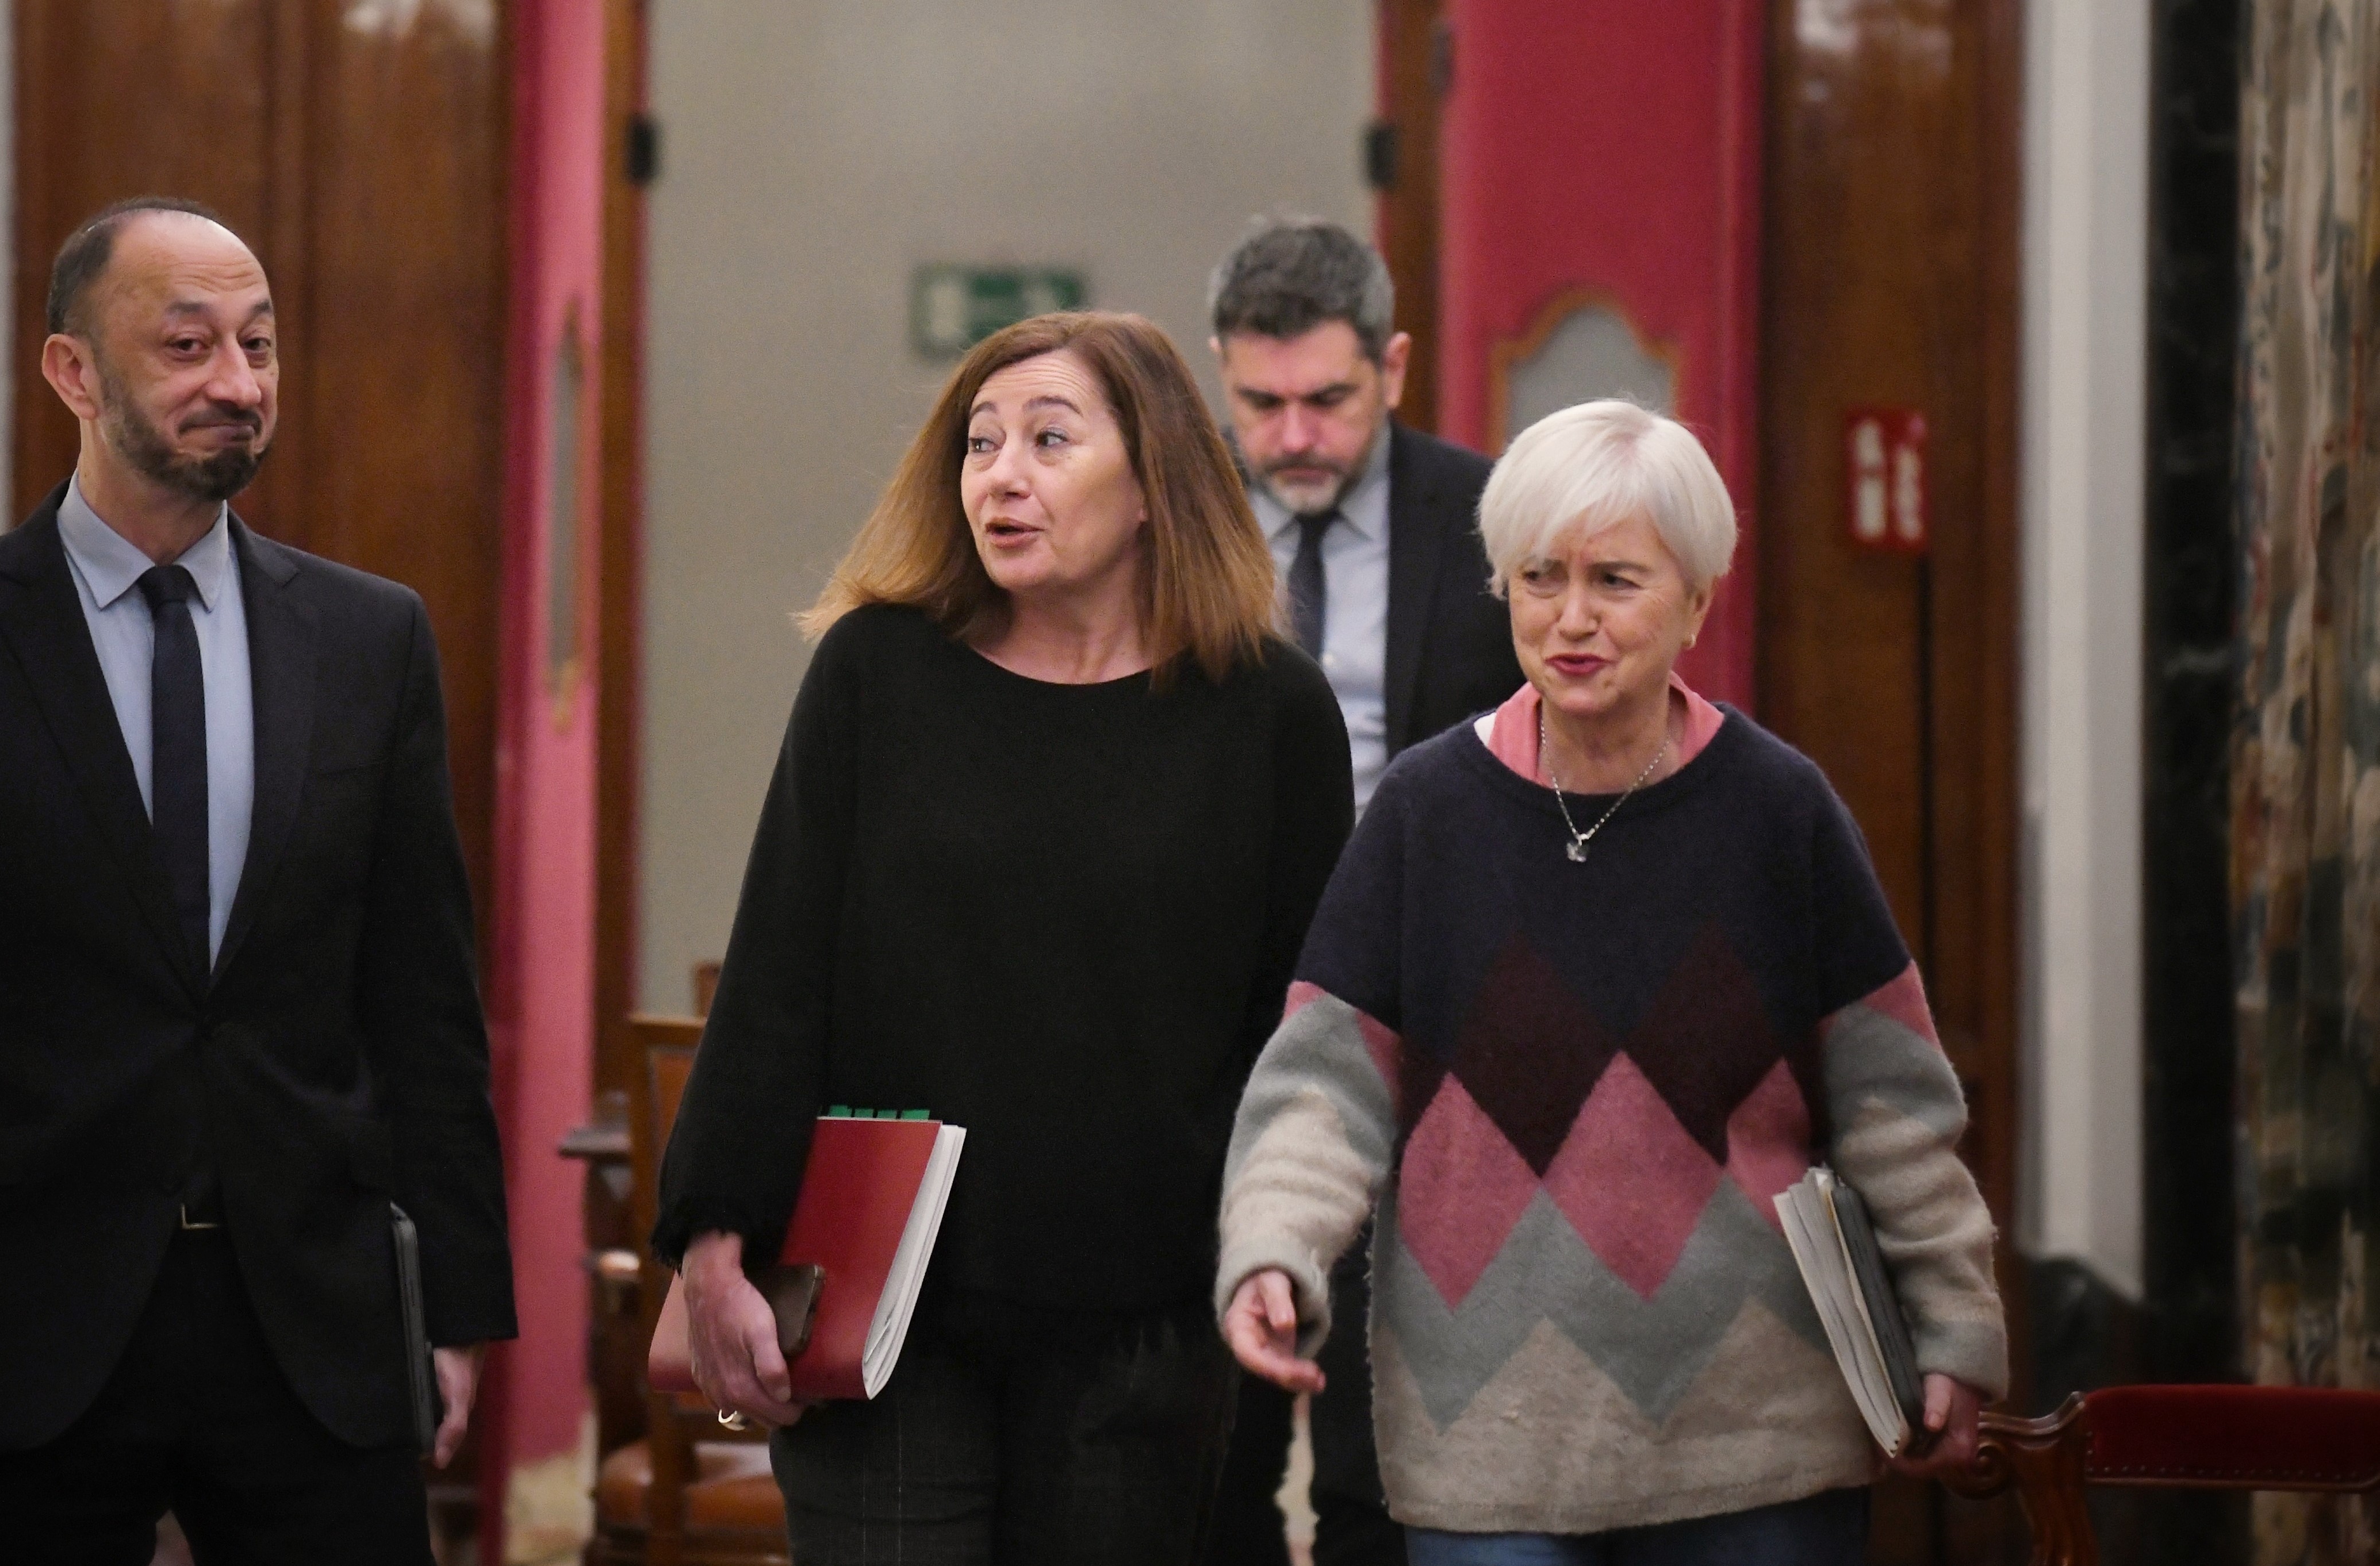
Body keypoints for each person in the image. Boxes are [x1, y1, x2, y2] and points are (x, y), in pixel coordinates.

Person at [0, 196, 515, 1563]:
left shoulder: (369, 640)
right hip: (21, 1322)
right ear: (73, 373)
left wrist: (455, 1308)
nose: (239, 384)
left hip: (312, 1324)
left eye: (260, 345)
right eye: (188, 346)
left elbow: (424, 1008)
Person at [1214, 400, 2006, 1565]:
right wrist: (1272, 1250)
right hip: (1488, 1445)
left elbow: (1894, 1106)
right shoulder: (1424, 818)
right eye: (1539, 577)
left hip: (1756, 1443)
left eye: (1615, 581)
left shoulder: (1777, 814)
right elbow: (1320, 1092)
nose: (1571, 618)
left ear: (1696, 598)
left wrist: (1955, 1326)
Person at [652, 311, 1356, 1565]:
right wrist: (711, 1235)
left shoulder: (1268, 713)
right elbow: (775, 977)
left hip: (1143, 1315)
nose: (1001, 475)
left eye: (1047, 439)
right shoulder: (878, 673)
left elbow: (1295, 1036)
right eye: (979, 444)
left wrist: (1270, 1244)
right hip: (885, 1294)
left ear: (1154, 485)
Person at [1204, 217, 1512, 1566]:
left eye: (1327, 400)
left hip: (1430, 1009)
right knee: (1209, 1441)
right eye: (1260, 404)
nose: (1294, 438)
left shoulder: (1491, 519)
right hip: (1217, 997)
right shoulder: (1173, 518)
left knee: (1382, 1453)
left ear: (1390, 366)